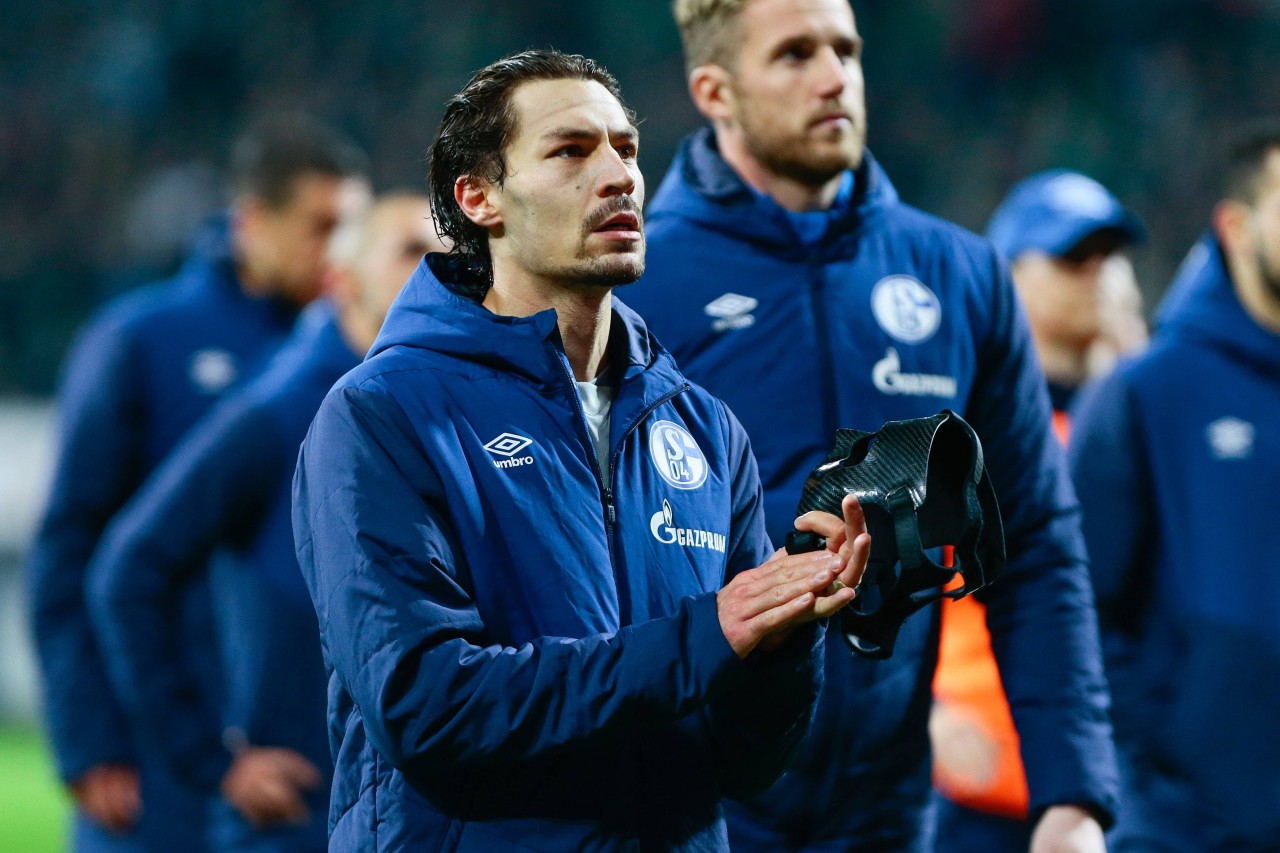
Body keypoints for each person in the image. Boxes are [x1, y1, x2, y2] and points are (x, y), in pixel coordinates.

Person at [292, 49, 871, 852]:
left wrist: (782, 638)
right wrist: (709, 636)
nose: (619, 176)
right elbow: (431, 710)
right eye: (571, 151)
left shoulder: (705, 431)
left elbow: (745, 762)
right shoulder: (383, 415)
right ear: (479, 197)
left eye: (626, 149)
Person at [623, 1, 1118, 849]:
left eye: (846, 50)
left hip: (887, 809)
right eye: (794, 54)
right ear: (715, 90)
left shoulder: (960, 276)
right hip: (696, 805)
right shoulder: (634, 279)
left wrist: (1070, 790)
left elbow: (1031, 539)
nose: (834, 77)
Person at [25, 115, 368, 852]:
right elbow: (69, 545)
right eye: (320, 225)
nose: (337, 250)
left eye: (351, 228)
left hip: (287, 760)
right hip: (157, 752)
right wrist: (89, 739)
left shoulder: (347, 360)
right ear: (251, 222)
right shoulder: (141, 340)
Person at [82, 195, 441, 853]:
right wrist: (209, 758)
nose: (438, 268)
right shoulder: (278, 412)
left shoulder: (439, 410)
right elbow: (128, 569)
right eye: (411, 251)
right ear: (341, 280)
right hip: (295, 820)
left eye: (448, 253)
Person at [1069, 121, 1280, 851]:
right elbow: (1084, 606)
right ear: (1237, 225)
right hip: (1186, 825)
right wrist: (1161, 766)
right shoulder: (1149, 391)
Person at [931, 170, 1145, 851]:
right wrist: (930, 716)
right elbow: (888, 585)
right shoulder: (957, 427)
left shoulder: (1142, 424)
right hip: (980, 785)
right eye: (1072, 258)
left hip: (1115, 790)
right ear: (1011, 276)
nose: (1097, 276)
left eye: (1109, 257)